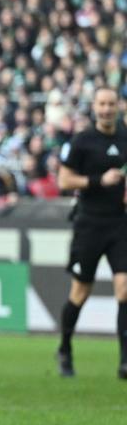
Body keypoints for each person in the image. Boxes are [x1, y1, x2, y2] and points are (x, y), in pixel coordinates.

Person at [56, 87, 127, 378]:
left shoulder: (125, 136)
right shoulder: (82, 140)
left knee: (124, 288)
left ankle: (125, 361)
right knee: (80, 292)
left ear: (118, 106)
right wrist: (100, 180)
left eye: (111, 104)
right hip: (89, 224)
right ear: (94, 107)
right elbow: (64, 181)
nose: (107, 109)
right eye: (102, 104)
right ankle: (65, 348)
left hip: (120, 224)